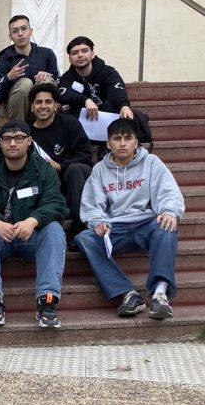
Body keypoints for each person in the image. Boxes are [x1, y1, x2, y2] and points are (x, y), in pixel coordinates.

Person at [75, 118, 185, 320]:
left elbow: (168, 191)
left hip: (146, 224)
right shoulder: (99, 169)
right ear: (108, 144)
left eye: (128, 138)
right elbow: (91, 204)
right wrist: (98, 221)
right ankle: (128, 294)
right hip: (116, 228)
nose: (123, 143)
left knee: (167, 226)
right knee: (85, 238)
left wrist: (169, 211)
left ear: (136, 143)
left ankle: (160, 295)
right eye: (117, 139)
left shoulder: (151, 162)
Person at [0, 120, 68, 329]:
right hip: (0, 237)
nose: (12, 143)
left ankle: (47, 302)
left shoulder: (44, 170)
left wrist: (33, 220)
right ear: (1, 143)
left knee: (55, 230)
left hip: (31, 236)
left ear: (29, 141)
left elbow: (56, 204)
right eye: (7, 139)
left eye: (19, 138)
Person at [57, 35, 154, 154]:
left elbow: (116, 89)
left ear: (92, 54)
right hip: (84, 123)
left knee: (123, 111)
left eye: (84, 51)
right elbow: (62, 92)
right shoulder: (67, 78)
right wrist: (85, 100)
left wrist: (124, 105)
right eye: (75, 53)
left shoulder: (107, 72)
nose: (80, 55)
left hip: (108, 118)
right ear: (70, 59)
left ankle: (109, 149)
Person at [28, 83, 93, 242]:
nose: (43, 106)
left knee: (77, 169)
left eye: (48, 102)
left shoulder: (69, 123)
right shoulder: (26, 133)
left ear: (56, 105)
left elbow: (85, 154)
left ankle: (79, 230)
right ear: (31, 107)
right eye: (38, 102)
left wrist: (61, 166)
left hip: (69, 178)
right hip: (41, 180)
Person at [0, 16, 60, 124]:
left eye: (24, 29)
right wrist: (8, 78)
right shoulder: (3, 60)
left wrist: (48, 76)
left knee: (45, 80)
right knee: (25, 84)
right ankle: (18, 129)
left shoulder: (47, 54)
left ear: (30, 31)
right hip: (15, 112)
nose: (20, 34)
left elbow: (59, 84)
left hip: (41, 108)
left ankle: (47, 127)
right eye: (15, 31)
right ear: (10, 36)